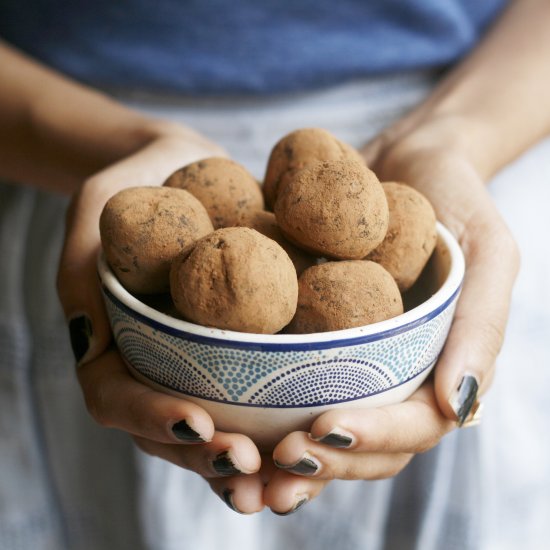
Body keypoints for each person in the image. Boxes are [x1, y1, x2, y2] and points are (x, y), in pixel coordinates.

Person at [0, 0, 549, 548]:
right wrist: (108, 143)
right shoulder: (219, 229)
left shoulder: (369, 208)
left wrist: (455, 136)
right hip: (67, 143)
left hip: (473, 115)